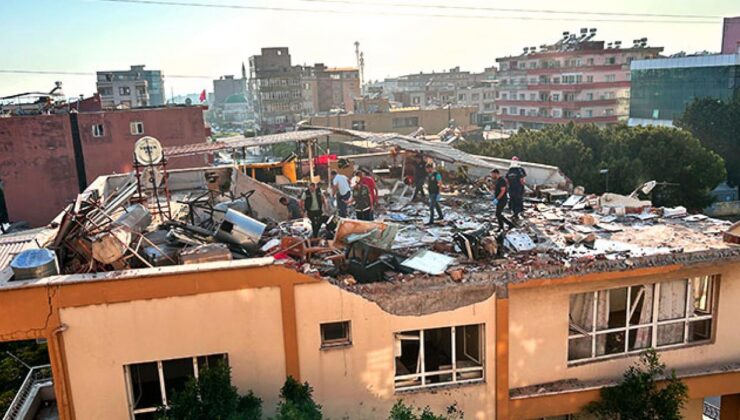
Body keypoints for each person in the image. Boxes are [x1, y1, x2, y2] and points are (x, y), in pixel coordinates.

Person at [505, 156, 527, 221]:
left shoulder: (510, 170)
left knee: (514, 200)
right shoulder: (519, 170)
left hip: (512, 188)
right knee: (517, 200)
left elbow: (506, 180)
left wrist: (509, 185)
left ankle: (516, 213)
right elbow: (522, 180)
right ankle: (516, 214)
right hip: (518, 188)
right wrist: (523, 186)